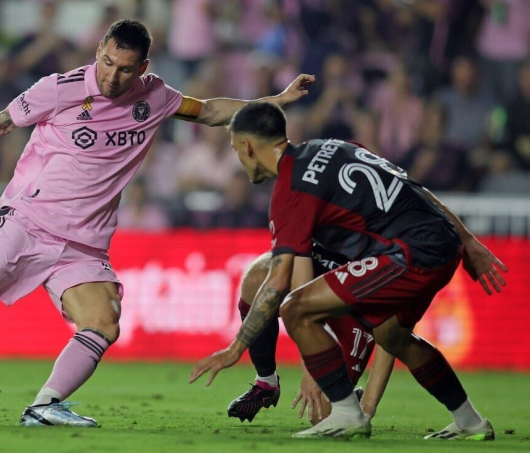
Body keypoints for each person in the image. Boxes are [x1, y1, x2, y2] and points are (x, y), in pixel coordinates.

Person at [0, 20, 314, 427]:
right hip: (28, 223)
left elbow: (212, 110)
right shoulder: (59, 89)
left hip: (83, 243)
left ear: (143, 68)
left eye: (125, 69)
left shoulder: (154, 96)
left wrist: (274, 101)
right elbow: (0, 123)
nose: (112, 75)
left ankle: (44, 405)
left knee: (104, 322)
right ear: (99, 49)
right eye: (107, 62)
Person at [189, 102, 507, 440]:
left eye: (237, 150)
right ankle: (469, 421)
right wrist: (468, 240)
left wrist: (235, 348)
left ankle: (347, 413)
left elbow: (280, 282)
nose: (239, 159)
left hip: (411, 253)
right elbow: (413, 190)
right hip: (440, 241)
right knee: (393, 336)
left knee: (294, 308)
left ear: (246, 146)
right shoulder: (335, 147)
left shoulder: (291, 190)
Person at [228, 244, 395, 425]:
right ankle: (266, 382)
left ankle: (348, 398)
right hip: (319, 267)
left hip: (360, 294)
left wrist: (368, 406)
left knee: (321, 416)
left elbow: (392, 326)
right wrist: (310, 368)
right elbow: (297, 264)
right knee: (258, 278)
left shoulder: (391, 235)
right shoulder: (300, 217)